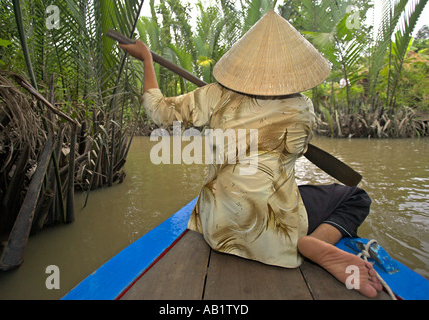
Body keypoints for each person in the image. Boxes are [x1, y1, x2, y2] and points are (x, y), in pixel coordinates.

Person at [120, 10, 383, 298]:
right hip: (276, 237)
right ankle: (317, 241)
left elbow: (158, 111)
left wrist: (147, 58)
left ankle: (302, 238)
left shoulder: (214, 95)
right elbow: (297, 147)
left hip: (217, 228)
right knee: (355, 197)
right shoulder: (304, 109)